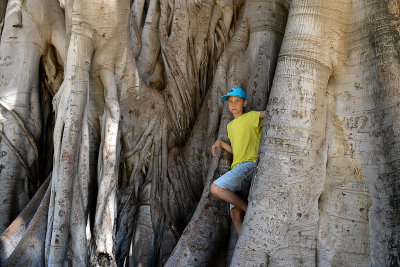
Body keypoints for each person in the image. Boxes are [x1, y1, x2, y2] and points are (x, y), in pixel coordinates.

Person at [210, 87, 265, 234]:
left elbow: (267, 114)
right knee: (234, 214)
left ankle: (250, 210)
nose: (233, 105)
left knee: (216, 188)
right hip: (237, 168)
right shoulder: (230, 126)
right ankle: (243, 247)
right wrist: (220, 143)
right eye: (230, 102)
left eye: (237, 101)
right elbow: (236, 150)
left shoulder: (251, 117)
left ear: (244, 103)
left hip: (249, 164)